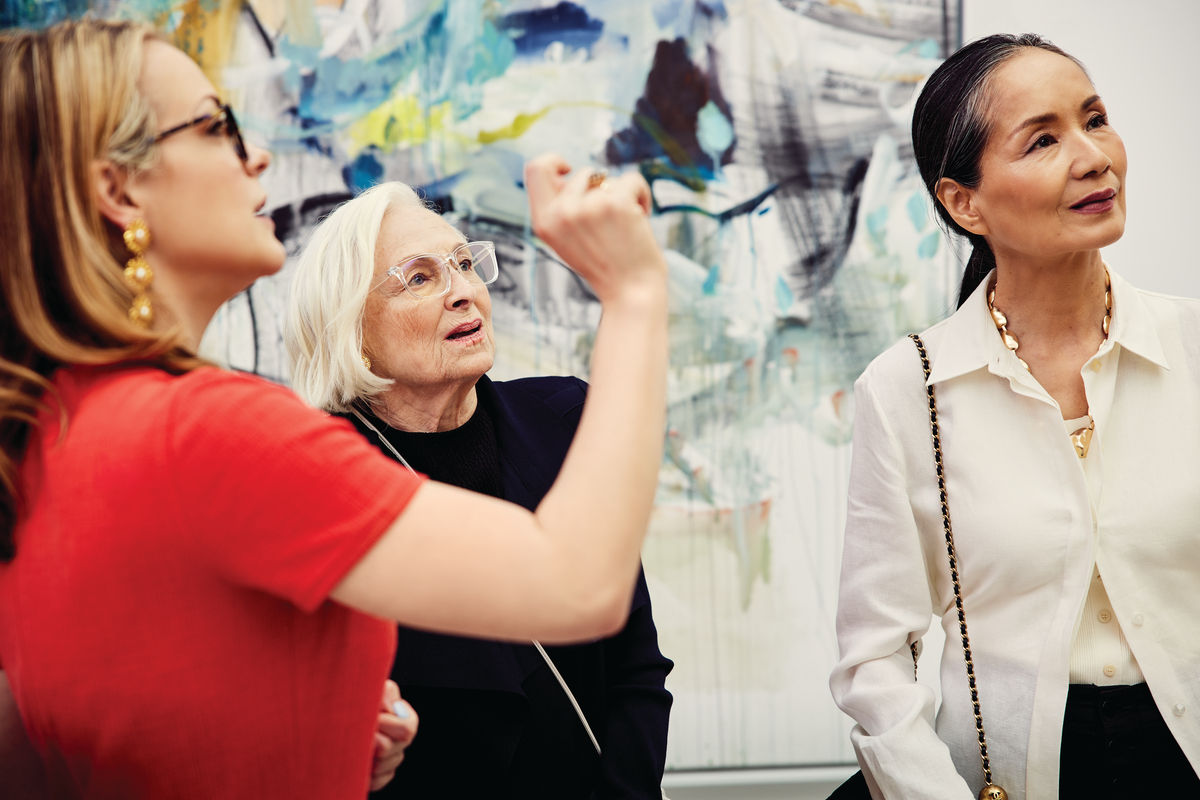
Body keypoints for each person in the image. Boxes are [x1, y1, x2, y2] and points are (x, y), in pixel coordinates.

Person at [0, 18, 669, 799]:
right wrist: (633, 293)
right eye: (218, 125)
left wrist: (323, 739)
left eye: (461, 264)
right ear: (118, 189)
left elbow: (56, 757)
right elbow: (578, 584)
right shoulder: (209, 430)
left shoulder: (47, 434)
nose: (257, 157)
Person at [829, 33, 1200, 800]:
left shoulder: (1192, 346)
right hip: (1007, 776)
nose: (1093, 156)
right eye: (1042, 139)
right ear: (963, 202)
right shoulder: (908, 390)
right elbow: (875, 661)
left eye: (1095, 120)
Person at [283, 181, 674, 799]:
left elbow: (635, 666)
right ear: (350, 326)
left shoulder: (565, 417)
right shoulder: (317, 482)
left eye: (465, 263)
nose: (465, 290)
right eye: (419, 278)